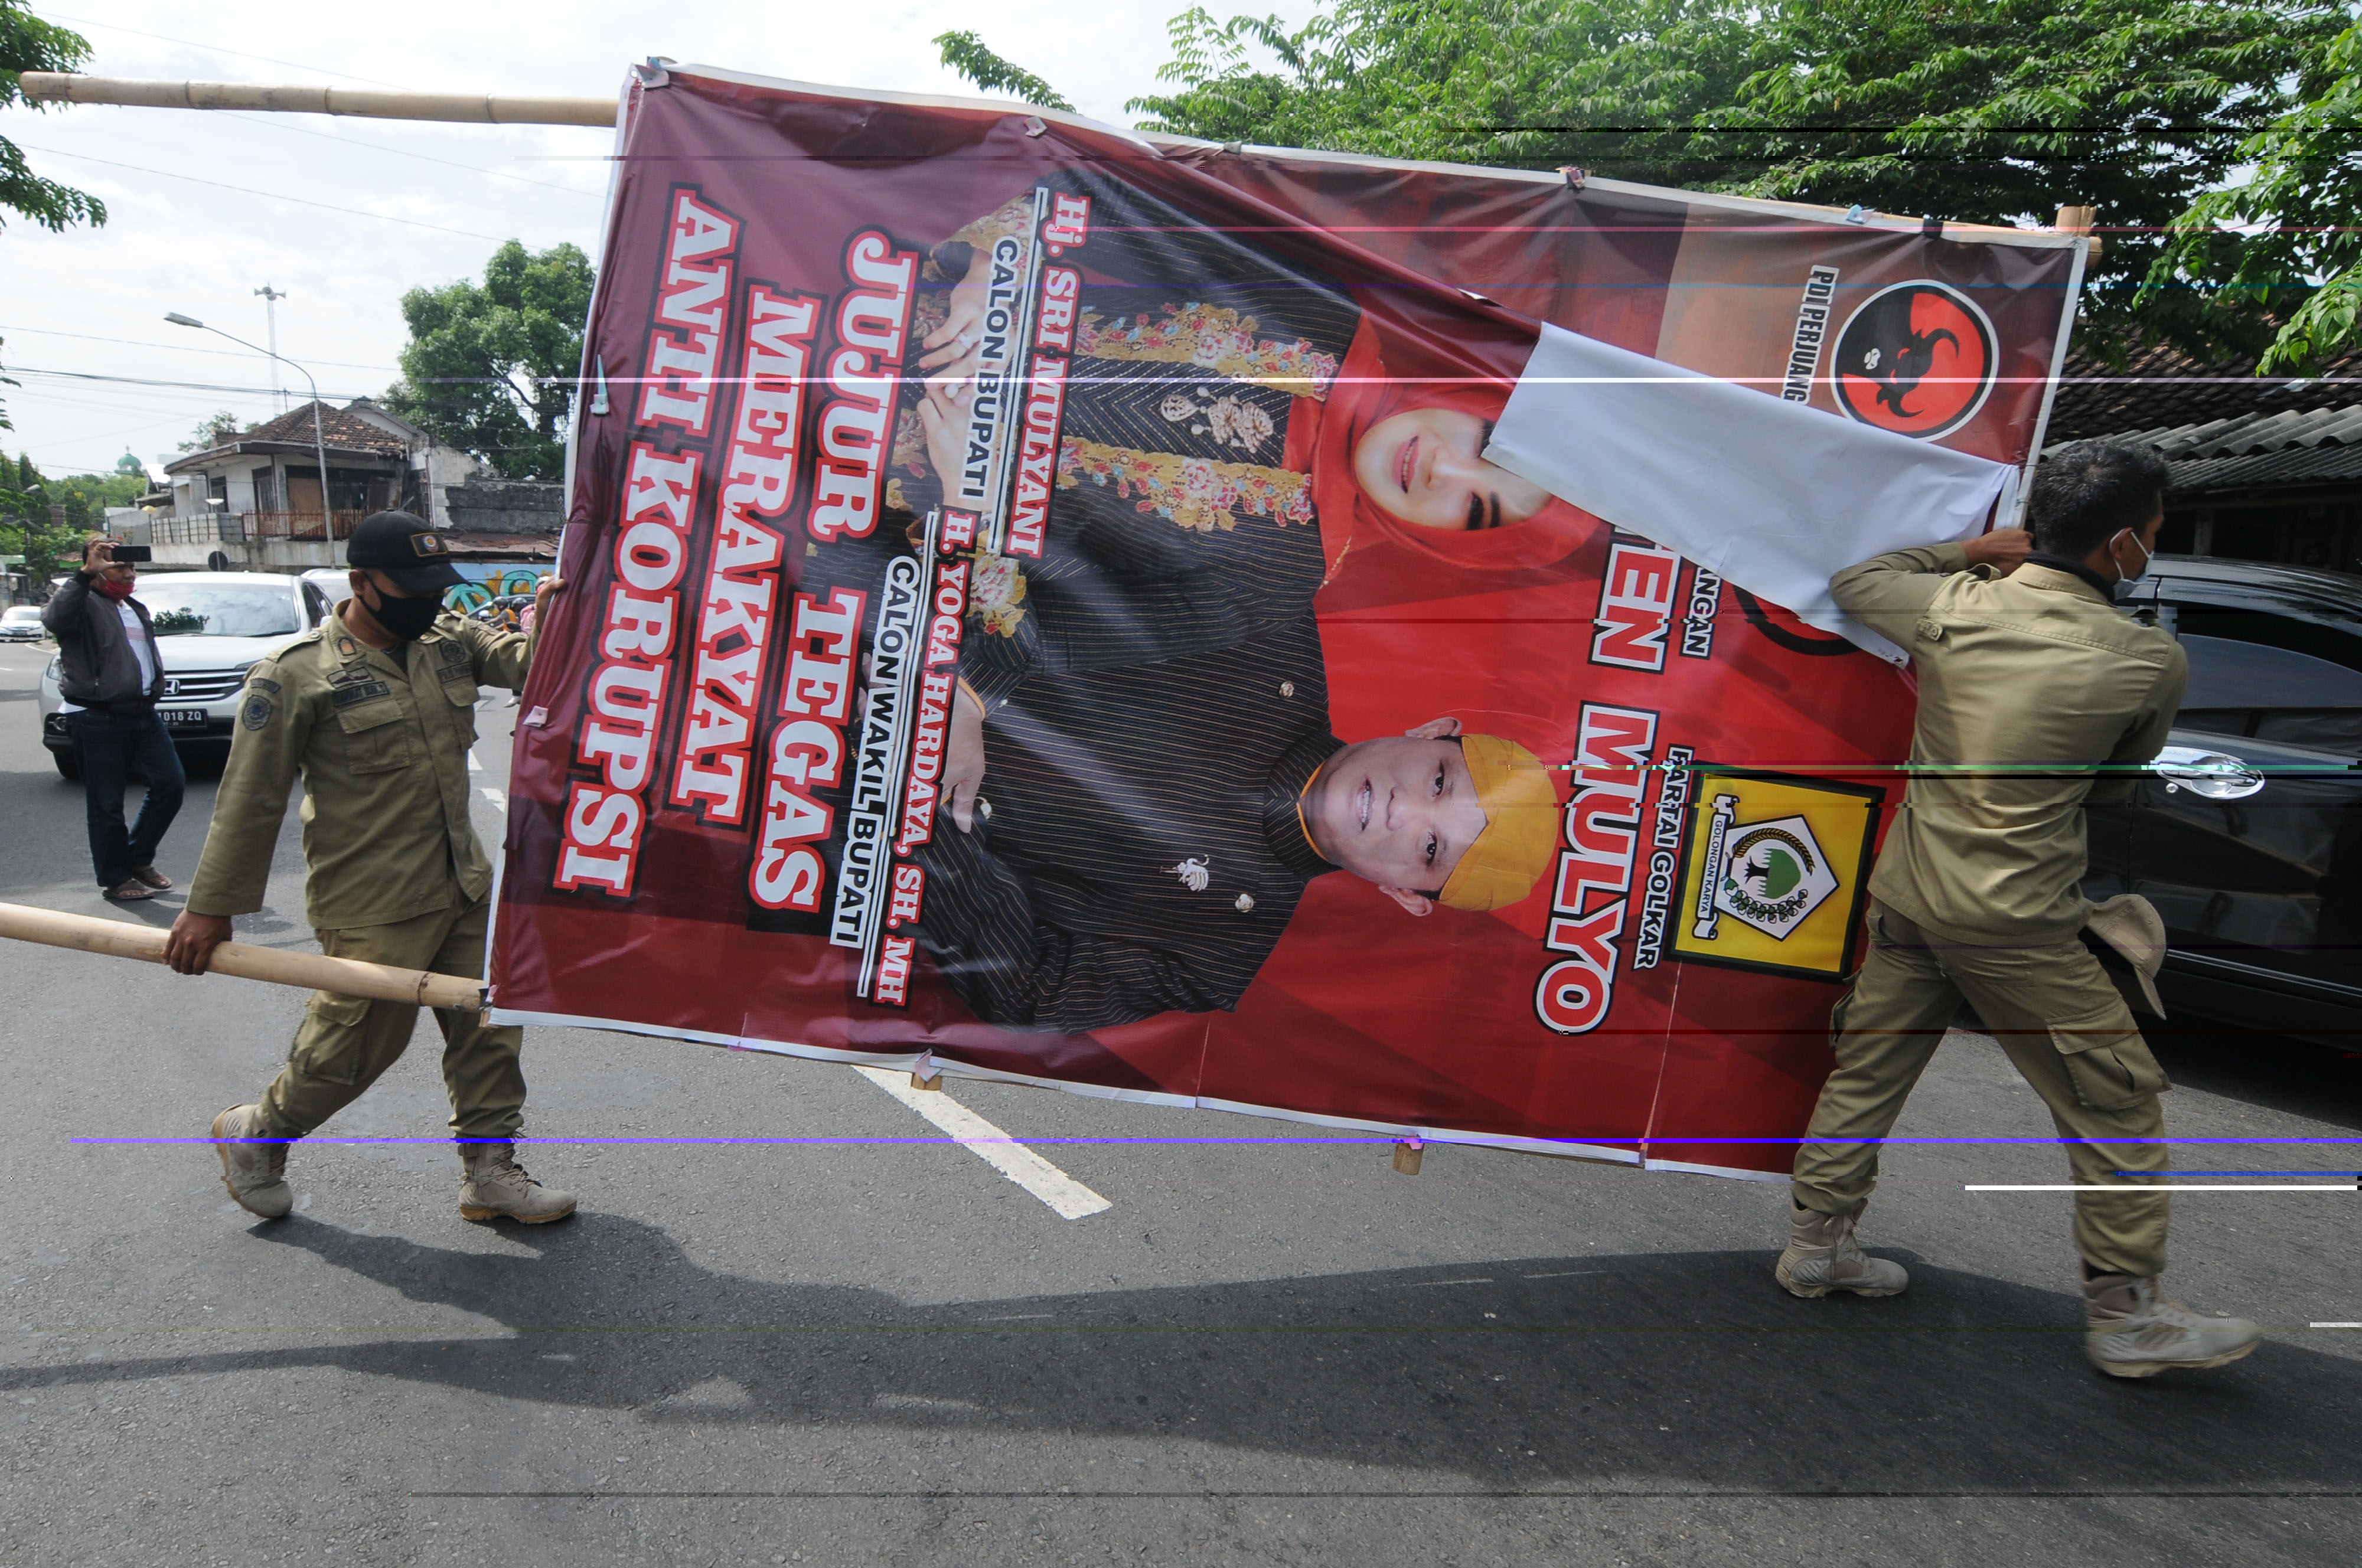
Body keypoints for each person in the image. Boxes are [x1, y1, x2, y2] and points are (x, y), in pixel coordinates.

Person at [1779, 439, 2262, 1379]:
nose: (2151, 549)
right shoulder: (2146, 659)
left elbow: (1855, 577)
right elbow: (2114, 788)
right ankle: (2128, 1318)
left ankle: (1816, 1245)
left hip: (1911, 895)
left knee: (1869, 1073)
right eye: (2154, 535)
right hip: (2015, 919)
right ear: (2122, 545)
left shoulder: (1955, 606)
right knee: (2114, 1100)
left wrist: (1971, 552)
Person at [906, 503, 1560, 1034]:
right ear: (1431, 731)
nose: (1403, 809)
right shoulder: (1267, 616)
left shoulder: (1211, 957)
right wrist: (962, 689)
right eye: (1439, 781)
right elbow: (1069, 523)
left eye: (1429, 846)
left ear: (1405, 896)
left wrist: (925, 801)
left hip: (824, 802)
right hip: (879, 601)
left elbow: (1026, 992)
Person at [162, 512, 573, 1226]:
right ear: (361, 582)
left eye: (435, 586)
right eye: (410, 587)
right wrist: (211, 906)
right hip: (373, 898)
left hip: (463, 880)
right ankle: (257, 1137)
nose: (429, 601)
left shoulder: (445, 642)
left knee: (489, 1026)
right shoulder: (296, 674)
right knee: (355, 1048)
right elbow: (250, 798)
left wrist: (558, 614)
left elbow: (531, 665)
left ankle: (489, 1172)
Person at [43, 537, 184, 902]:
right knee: (106, 804)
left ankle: (137, 858)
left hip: (142, 713)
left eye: (131, 568)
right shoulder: (84, 603)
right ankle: (116, 878)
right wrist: (83, 575)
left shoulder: (132, 608)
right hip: (95, 717)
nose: (127, 574)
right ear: (98, 570)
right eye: (118, 567)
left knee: (170, 785)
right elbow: (55, 620)